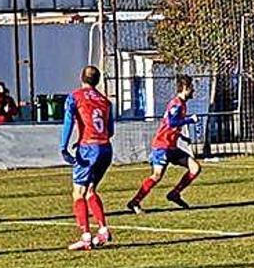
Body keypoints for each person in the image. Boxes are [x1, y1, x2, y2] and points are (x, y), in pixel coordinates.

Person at [127, 75, 201, 214]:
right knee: (156, 175)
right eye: (191, 87)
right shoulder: (176, 104)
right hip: (162, 146)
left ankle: (174, 194)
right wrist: (190, 120)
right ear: (185, 88)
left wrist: (181, 136)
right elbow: (171, 122)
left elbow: (172, 126)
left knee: (195, 168)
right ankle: (134, 202)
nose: (194, 90)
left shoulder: (182, 104)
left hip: (171, 147)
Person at [59, 65, 114, 251]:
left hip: (88, 147)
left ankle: (86, 236)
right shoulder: (106, 101)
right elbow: (110, 130)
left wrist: (63, 147)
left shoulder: (75, 96)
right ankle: (103, 230)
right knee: (91, 190)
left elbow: (68, 121)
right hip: (105, 147)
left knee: (78, 193)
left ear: (80, 77)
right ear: (97, 81)